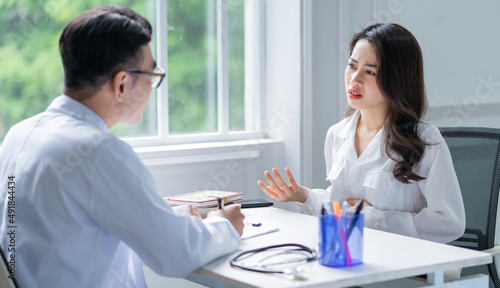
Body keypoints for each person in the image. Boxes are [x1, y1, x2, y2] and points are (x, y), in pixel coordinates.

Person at [0, 5, 244, 288]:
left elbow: (63, 226)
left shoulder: (19, 134)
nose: (152, 87)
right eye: (151, 76)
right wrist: (222, 224)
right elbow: (176, 254)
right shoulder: (97, 151)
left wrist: (161, 216)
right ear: (122, 84)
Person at [258, 23, 465, 244]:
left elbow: (450, 223)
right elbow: (344, 206)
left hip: (403, 266)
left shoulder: (425, 141)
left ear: (397, 79)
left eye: (370, 72)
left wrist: (371, 217)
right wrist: (304, 196)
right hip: (349, 256)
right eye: (352, 65)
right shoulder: (336, 135)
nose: (354, 80)